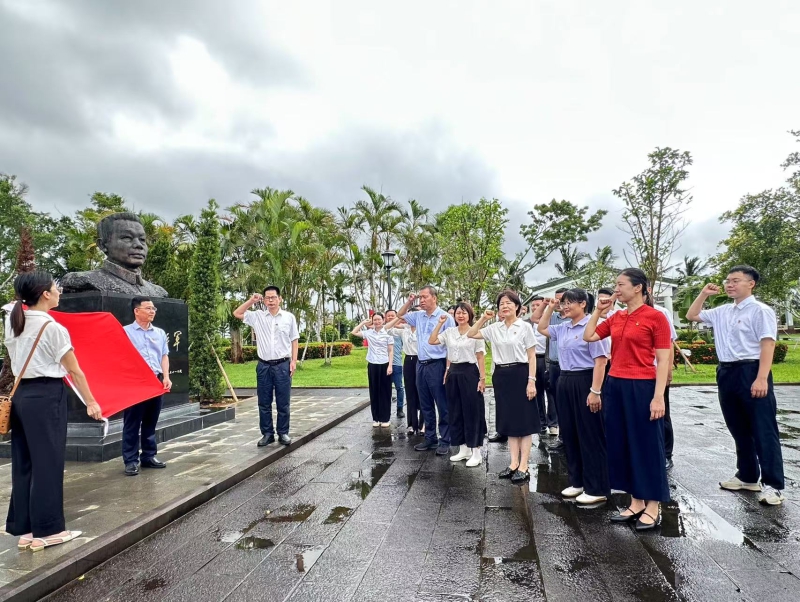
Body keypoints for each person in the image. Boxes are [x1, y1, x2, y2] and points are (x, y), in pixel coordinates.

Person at [4, 271, 103, 552]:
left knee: (24, 462)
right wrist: (91, 402)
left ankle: (26, 530)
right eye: (55, 287)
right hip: (46, 396)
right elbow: (75, 371)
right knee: (48, 463)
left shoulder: (13, 322)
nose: (59, 290)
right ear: (45, 294)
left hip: (21, 395)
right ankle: (49, 531)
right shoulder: (52, 327)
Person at [685, 265, 784, 505]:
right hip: (726, 372)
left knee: (763, 428)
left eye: (736, 280)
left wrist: (762, 377)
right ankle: (748, 476)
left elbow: (768, 344)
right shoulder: (722, 311)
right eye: (728, 281)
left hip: (751, 370)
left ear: (751, 284)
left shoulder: (761, 311)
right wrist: (703, 294)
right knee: (737, 427)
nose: (730, 284)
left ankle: (773, 485)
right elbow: (692, 316)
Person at [584, 268, 671, 530]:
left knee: (647, 446)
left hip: (643, 387)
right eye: (616, 285)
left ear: (638, 287)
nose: (616, 289)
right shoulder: (617, 316)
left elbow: (663, 360)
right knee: (622, 444)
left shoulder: (656, 317)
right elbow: (589, 336)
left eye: (621, 285)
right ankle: (636, 502)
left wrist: (658, 397)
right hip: (615, 385)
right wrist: (598, 311)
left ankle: (653, 505)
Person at [539, 289, 611, 505]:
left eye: (569, 302)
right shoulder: (563, 327)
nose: (565, 306)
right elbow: (542, 327)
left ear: (583, 304)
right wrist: (550, 307)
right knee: (570, 433)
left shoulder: (593, 325)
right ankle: (577, 481)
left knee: (590, 433)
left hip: (586, 380)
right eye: (563, 303)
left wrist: (595, 391)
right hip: (565, 379)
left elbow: (601, 362)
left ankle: (597, 487)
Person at [468, 289, 538, 484]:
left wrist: (531, 381)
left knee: (524, 421)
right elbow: (471, 333)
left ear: (517, 306)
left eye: (509, 303)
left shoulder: (524, 327)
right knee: (509, 421)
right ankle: (513, 463)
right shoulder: (494, 328)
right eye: (501, 304)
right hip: (501, 375)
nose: (505, 306)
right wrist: (484, 318)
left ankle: (524, 466)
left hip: (520, 373)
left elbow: (532, 356)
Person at [233, 286, 298, 447]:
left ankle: (283, 433)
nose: (270, 300)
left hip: (282, 364)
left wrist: (294, 361)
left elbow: (294, 339)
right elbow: (237, 313)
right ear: (263, 300)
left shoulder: (288, 317)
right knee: (264, 402)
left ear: (279, 299)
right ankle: (267, 434)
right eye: (267, 298)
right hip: (264, 366)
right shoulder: (257, 316)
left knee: (283, 402)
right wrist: (251, 301)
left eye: (273, 297)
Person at [396, 287, 456, 455]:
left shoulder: (446, 317)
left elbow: (451, 345)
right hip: (420, 364)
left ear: (434, 298)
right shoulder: (418, 316)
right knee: (425, 404)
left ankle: (445, 439)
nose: (421, 300)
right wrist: (410, 301)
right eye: (420, 297)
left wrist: (448, 368)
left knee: (442, 404)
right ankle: (430, 437)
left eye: (425, 297)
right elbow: (400, 314)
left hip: (438, 364)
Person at [429, 302, 487, 467]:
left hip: (469, 372)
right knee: (455, 411)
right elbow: (432, 341)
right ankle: (463, 449)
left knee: (472, 411)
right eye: (458, 313)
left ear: (470, 315)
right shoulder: (449, 332)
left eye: (464, 313)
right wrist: (439, 323)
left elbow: (480, 357)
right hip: (453, 373)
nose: (460, 316)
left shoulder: (475, 332)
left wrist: (482, 379)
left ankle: (476, 452)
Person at [121, 297, 172, 476]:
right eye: (148, 308)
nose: (152, 311)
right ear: (136, 311)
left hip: (155, 381)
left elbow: (164, 356)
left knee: (151, 421)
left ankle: (149, 456)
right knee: (132, 422)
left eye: (153, 308)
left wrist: (166, 376)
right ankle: (130, 460)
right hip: (134, 382)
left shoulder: (159, 333)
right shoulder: (124, 332)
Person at [60, 212, 168, 297]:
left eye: (142, 239)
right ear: (103, 245)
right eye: (127, 238)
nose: (139, 245)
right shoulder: (83, 281)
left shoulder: (158, 292)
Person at [531, 287, 568, 443]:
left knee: (566, 401)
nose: (559, 302)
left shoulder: (575, 319)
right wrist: (546, 304)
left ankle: (561, 430)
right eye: (557, 298)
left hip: (569, 367)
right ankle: (560, 436)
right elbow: (535, 318)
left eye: (563, 299)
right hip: (552, 364)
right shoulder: (552, 317)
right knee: (553, 395)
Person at [351, 314, 394, 427]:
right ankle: (376, 418)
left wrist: (390, 366)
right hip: (372, 364)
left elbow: (390, 351)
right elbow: (354, 332)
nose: (377, 321)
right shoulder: (369, 333)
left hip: (384, 364)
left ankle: (385, 418)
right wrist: (363, 323)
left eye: (379, 319)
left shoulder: (388, 333)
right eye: (375, 320)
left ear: (383, 320)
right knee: (374, 391)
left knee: (385, 391)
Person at [385, 311, 421, 434]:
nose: (410, 319)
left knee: (422, 392)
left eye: (413, 316)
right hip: (408, 360)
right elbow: (387, 328)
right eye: (409, 316)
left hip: (421, 360)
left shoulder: (423, 329)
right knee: (410, 392)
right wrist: (398, 317)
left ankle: (423, 424)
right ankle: (412, 424)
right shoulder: (404, 330)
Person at [527, 296, 549, 437]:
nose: (535, 308)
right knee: (537, 392)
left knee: (550, 392)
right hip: (533, 360)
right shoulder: (527, 324)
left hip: (546, 360)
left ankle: (553, 423)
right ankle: (541, 422)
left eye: (538, 305)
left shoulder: (550, 321)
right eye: (533, 306)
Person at [384, 309, 405, 418]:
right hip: (384, 364)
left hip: (397, 364)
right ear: (385, 317)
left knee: (399, 387)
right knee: (385, 388)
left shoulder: (401, 332)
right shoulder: (383, 331)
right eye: (389, 316)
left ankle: (400, 409)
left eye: (393, 316)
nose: (391, 317)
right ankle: (385, 409)